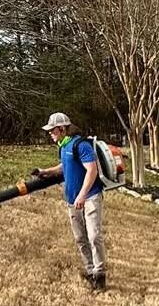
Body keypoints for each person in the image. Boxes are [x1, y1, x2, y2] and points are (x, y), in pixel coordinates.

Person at [34, 112, 107, 291]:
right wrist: (45, 171)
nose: (50, 133)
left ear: (62, 128)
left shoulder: (81, 145)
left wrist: (82, 195)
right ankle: (90, 272)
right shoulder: (63, 146)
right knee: (80, 238)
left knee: (94, 236)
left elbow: (91, 171)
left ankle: (100, 274)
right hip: (72, 200)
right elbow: (63, 166)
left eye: (52, 130)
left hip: (90, 197)